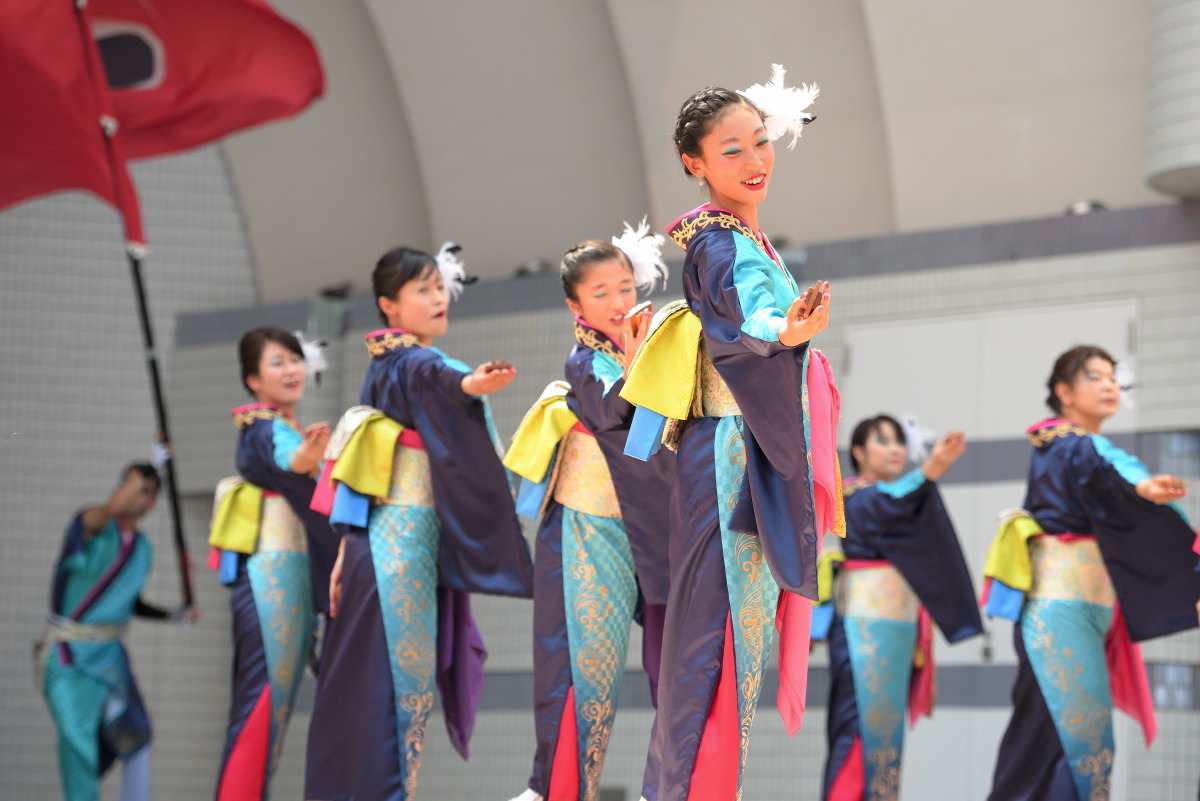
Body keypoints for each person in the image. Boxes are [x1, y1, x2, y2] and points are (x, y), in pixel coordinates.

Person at [621, 66, 842, 801]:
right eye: (731, 151)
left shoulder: (744, 236)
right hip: (728, 462)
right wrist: (786, 327)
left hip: (738, 458)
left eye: (760, 143)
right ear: (695, 163)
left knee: (725, 648)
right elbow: (745, 312)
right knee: (714, 647)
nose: (755, 162)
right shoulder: (720, 243)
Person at [304, 244, 535, 801]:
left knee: (363, 695)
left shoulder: (381, 372)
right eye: (421, 290)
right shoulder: (413, 363)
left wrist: (345, 547)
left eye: (439, 287)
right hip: (397, 553)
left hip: (374, 550)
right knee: (395, 694)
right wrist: (471, 387)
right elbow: (440, 379)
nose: (437, 299)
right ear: (389, 305)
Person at [504, 228, 674, 801]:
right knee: (586, 669)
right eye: (600, 291)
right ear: (575, 305)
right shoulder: (587, 359)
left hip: (655, 524)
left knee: (678, 662)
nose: (619, 300)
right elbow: (609, 412)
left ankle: (679, 784)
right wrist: (633, 355)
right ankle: (559, 790)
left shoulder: (664, 345)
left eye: (625, 286)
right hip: (590, 522)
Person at [984, 345, 1197, 801]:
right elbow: (1103, 462)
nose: (1109, 386)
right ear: (1064, 391)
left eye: (1113, 379)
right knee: (1074, 746)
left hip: (1075, 612)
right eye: (1094, 377)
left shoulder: (1072, 447)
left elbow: (1106, 467)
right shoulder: (1069, 444)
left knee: (1053, 745)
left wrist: (1138, 485)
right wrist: (1141, 484)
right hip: (1059, 613)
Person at [816, 415, 983, 800]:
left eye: (898, 441)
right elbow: (893, 503)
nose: (894, 449)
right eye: (882, 441)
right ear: (857, 452)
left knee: (884, 734)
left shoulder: (886, 496)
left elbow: (901, 503)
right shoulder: (856, 497)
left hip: (892, 631)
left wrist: (928, 474)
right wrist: (931, 470)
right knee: (859, 728)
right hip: (863, 629)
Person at [208, 326, 336, 800]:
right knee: (262, 707)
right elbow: (289, 459)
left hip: (288, 578)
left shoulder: (281, 427)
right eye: (277, 362)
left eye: (295, 359)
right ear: (253, 380)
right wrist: (306, 458)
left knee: (271, 710)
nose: (291, 370)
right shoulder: (265, 426)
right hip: (271, 580)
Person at [40, 462, 197, 801]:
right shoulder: (91, 526)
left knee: (136, 736)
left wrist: (174, 615)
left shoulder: (141, 548)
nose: (131, 492)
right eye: (126, 483)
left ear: (151, 503)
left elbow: (129, 602)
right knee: (79, 746)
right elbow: (102, 515)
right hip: (69, 658)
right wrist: (139, 480)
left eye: (142, 490)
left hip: (110, 656)